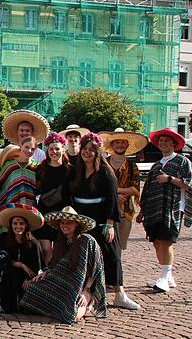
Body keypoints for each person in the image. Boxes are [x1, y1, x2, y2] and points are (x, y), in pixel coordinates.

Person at [70, 132, 139, 310]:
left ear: (97, 152)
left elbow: (111, 199)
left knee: (112, 255)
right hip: (83, 221)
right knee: (86, 257)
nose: (86, 153)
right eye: (84, 149)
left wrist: (109, 224)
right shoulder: (76, 171)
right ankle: (88, 293)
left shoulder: (106, 172)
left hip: (103, 220)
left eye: (91, 150)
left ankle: (119, 294)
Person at [19, 206, 106, 324]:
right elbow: (56, 266)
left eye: (69, 223)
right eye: (62, 223)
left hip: (82, 284)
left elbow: (95, 267)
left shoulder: (86, 240)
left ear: (76, 224)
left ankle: (88, 303)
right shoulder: (61, 242)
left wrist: (86, 290)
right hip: (63, 282)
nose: (64, 225)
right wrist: (45, 273)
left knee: (72, 316)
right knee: (32, 290)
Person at [138, 127, 192, 293]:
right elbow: (147, 188)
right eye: (161, 141)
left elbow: (188, 183)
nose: (163, 143)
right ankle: (167, 276)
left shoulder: (182, 161)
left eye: (167, 141)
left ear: (174, 144)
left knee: (166, 241)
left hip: (172, 207)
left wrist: (169, 179)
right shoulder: (156, 165)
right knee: (156, 241)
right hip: (154, 208)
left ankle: (164, 276)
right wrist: (142, 210)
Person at [0, 204, 44, 313]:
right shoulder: (3, 238)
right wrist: (21, 265)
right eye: (15, 223)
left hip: (26, 278)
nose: (18, 226)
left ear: (26, 226)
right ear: (11, 225)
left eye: (21, 223)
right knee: (9, 271)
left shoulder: (33, 243)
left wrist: (29, 279)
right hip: (7, 275)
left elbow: (37, 266)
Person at [100, 128, 147, 251]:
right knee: (104, 244)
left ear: (127, 144)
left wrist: (115, 191)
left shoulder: (132, 166)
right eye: (117, 142)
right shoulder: (103, 164)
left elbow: (135, 189)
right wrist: (115, 195)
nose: (120, 145)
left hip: (126, 210)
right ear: (112, 144)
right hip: (105, 209)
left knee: (121, 246)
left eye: (122, 142)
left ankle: (118, 269)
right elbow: (99, 186)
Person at [34, 132, 72, 262]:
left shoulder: (69, 170)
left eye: (57, 148)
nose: (54, 152)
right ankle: (45, 275)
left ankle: (56, 276)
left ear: (63, 149)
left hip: (62, 214)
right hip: (45, 212)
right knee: (45, 249)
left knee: (59, 250)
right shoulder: (41, 168)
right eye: (51, 149)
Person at [0, 137, 39, 211]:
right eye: (26, 147)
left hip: (30, 205)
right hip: (10, 203)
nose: (29, 150)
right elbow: (1, 184)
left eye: (32, 149)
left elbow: (38, 187)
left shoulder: (36, 167)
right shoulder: (9, 165)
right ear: (21, 146)